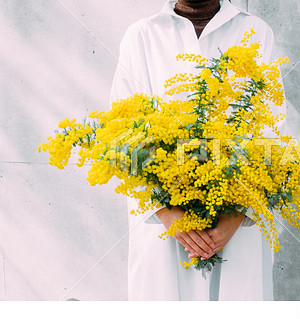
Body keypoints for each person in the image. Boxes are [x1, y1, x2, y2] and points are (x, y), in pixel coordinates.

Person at [110, 0, 284, 301]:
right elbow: (122, 139)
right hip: (163, 228)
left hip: (236, 224)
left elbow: (271, 136)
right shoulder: (141, 36)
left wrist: (238, 216)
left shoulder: (256, 32)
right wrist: (166, 214)